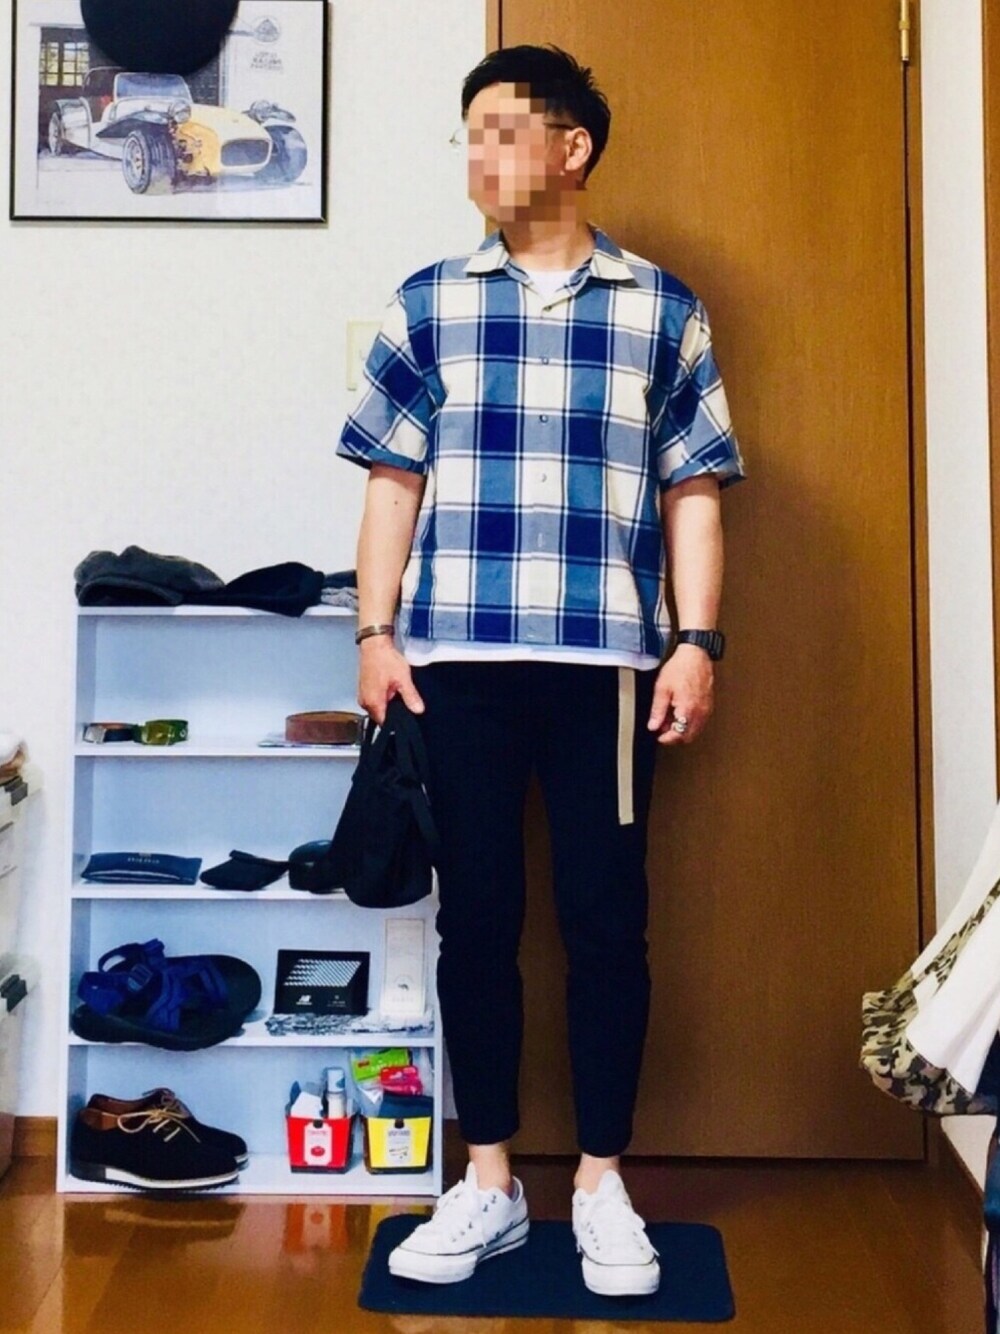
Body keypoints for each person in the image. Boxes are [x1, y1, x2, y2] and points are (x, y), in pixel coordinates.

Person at [337, 44, 745, 1298]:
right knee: (476, 921)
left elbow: (694, 490)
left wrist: (696, 641)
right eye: (467, 131)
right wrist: (372, 633)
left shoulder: (661, 309)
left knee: (606, 921)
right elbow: (391, 483)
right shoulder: (427, 303)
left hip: (605, 665)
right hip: (453, 661)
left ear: (572, 148)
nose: (478, 154)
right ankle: (491, 1181)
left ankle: (603, 1184)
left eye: (501, 129)